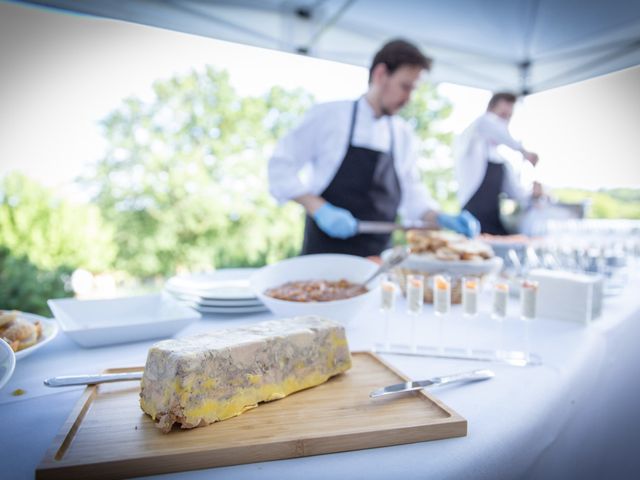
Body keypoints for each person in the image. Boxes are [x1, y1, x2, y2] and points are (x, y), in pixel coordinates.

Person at [268, 39, 479, 257]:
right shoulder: (329, 116)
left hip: (377, 261)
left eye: (414, 90)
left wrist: (440, 217)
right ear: (380, 74)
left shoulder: (403, 135)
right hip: (324, 255)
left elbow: (413, 197)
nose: (409, 99)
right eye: (405, 87)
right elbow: (280, 168)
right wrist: (318, 208)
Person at [454, 92, 540, 235]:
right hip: (470, 219)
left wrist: (533, 194)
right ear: (489, 111)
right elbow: (488, 124)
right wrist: (524, 151)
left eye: (508, 117)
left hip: (493, 222)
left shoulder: (503, 162)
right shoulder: (472, 140)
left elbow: (516, 194)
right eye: (501, 115)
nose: (503, 123)